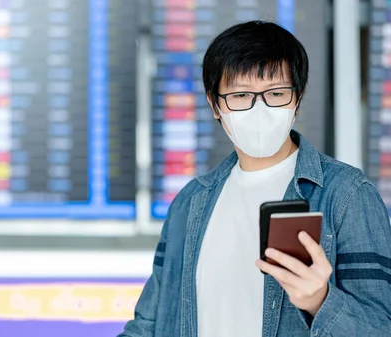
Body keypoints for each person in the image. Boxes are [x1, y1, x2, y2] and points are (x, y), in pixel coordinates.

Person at [119, 20, 391, 336]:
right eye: (240, 95)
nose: (259, 110)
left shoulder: (346, 195)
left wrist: (321, 301)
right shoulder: (190, 202)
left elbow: (381, 328)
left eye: (276, 93)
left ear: (297, 99)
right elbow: (149, 324)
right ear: (215, 104)